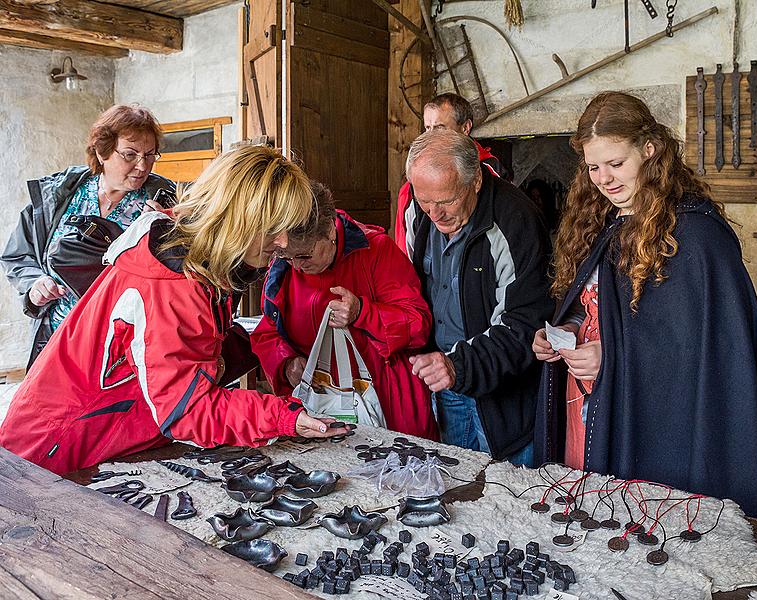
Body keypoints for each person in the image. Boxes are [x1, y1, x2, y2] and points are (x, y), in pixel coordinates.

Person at [0, 146, 349, 475]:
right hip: (57, 447)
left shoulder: (190, 245)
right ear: (238, 217)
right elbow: (189, 410)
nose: (284, 243)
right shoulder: (173, 282)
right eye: (273, 229)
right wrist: (282, 417)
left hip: (104, 431)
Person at [532, 91, 757, 519]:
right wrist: (566, 328)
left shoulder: (698, 236)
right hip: (590, 408)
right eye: (593, 167)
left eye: (616, 163)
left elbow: (708, 353)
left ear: (649, 150)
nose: (604, 179)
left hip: (659, 427)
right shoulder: (605, 222)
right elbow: (596, 302)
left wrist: (613, 357)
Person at [405, 129, 553, 466]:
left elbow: (524, 325)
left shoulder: (517, 221)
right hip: (444, 382)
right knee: (458, 481)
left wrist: (459, 365)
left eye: (445, 201)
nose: (435, 214)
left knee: (509, 492)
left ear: (474, 181)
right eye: (425, 201)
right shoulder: (420, 211)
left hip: (502, 396)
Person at [250, 182, 439, 440]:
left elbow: (419, 324)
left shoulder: (377, 250)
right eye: (286, 258)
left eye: (304, 256)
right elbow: (268, 332)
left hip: (388, 405)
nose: (296, 266)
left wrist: (363, 312)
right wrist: (286, 363)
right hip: (320, 408)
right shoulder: (283, 269)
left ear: (329, 230)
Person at [2, 104, 176, 368]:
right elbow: (17, 255)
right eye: (130, 154)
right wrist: (34, 284)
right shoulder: (59, 193)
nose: (142, 166)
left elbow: (179, 277)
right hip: (56, 340)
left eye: (150, 155)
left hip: (123, 350)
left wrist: (164, 229)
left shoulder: (164, 201)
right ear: (102, 151)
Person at [394, 93, 503, 256]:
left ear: (465, 128)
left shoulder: (489, 171)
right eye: (427, 128)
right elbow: (406, 249)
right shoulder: (410, 189)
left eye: (439, 128)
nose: (430, 136)